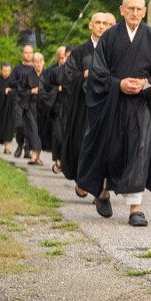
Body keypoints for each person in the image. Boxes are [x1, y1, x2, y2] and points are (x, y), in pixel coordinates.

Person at [77, 0, 151, 227]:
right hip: (113, 104)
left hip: (142, 106)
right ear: (121, 10)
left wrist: (144, 84)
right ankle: (103, 192)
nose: (135, 13)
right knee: (111, 150)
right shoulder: (109, 38)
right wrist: (118, 84)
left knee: (140, 151)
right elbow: (98, 74)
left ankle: (135, 208)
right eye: (130, 8)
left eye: (139, 9)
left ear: (144, 12)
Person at [60, 12, 115, 190]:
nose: (101, 26)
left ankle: (100, 188)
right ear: (90, 25)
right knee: (82, 144)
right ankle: (82, 180)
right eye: (97, 22)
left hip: (107, 106)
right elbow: (67, 77)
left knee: (106, 147)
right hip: (84, 106)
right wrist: (84, 74)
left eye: (105, 23)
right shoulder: (79, 52)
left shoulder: (115, 50)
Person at [11, 45, 42, 164]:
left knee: (31, 127)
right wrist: (24, 82)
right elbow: (11, 81)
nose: (28, 54)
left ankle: (28, 149)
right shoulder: (18, 69)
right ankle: (19, 144)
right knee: (20, 126)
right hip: (20, 101)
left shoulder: (36, 69)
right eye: (26, 52)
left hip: (33, 104)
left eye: (30, 53)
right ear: (22, 53)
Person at [46, 46, 69, 172]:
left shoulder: (73, 71)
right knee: (58, 135)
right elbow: (46, 89)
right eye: (61, 57)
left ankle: (65, 161)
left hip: (69, 109)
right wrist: (57, 89)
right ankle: (58, 159)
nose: (63, 60)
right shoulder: (52, 71)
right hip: (56, 108)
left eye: (65, 57)